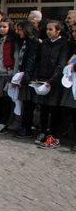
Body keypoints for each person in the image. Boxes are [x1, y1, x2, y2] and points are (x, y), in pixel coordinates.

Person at [33, 21, 68, 149]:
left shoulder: (64, 44)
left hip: (55, 82)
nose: (48, 31)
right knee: (43, 107)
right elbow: (39, 60)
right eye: (47, 29)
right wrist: (37, 76)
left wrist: (52, 80)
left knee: (54, 109)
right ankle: (42, 131)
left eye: (51, 29)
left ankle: (52, 135)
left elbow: (61, 64)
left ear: (58, 31)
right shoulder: (45, 43)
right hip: (42, 79)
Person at [13, 21, 40, 138]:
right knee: (24, 103)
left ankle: (27, 128)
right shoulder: (25, 42)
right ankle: (23, 126)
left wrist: (26, 77)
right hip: (23, 75)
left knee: (29, 104)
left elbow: (31, 61)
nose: (18, 32)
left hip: (29, 77)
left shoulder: (33, 43)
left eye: (20, 30)